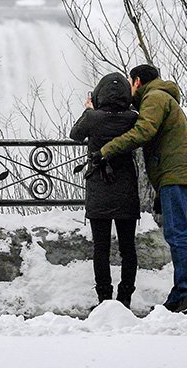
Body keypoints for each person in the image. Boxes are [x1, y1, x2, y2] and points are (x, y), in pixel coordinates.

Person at [98, 64, 187, 314]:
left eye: (129, 82)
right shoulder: (162, 97)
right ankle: (180, 293)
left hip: (174, 176)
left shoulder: (155, 97)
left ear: (137, 81)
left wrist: (107, 149)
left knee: (177, 233)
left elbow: (143, 130)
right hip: (184, 176)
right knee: (184, 234)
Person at [70, 72, 140, 309]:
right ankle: (125, 297)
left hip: (99, 188)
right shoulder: (133, 118)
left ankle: (104, 299)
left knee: (101, 248)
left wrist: (88, 110)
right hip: (126, 190)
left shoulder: (93, 118)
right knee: (128, 247)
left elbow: (75, 135)